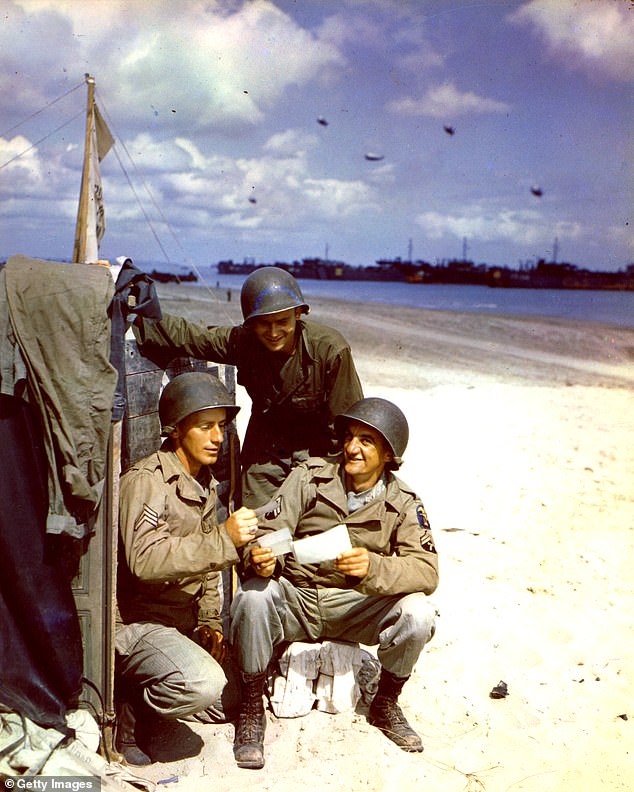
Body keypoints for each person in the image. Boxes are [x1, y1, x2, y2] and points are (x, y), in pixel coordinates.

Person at [229, 397, 439, 769]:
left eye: (366, 441)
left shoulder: (405, 502)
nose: (351, 448)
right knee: (251, 597)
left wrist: (374, 567)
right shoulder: (310, 476)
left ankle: (385, 704)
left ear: (389, 454)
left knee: (419, 613)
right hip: (298, 598)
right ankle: (250, 707)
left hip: (356, 606)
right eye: (349, 437)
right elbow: (268, 529)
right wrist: (260, 556)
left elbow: (426, 571)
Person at [114, 371, 259, 765]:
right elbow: (144, 560)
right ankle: (131, 715)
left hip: (179, 622)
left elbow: (209, 569)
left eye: (222, 427)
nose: (218, 438)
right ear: (177, 431)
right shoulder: (147, 482)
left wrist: (210, 621)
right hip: (137, 625)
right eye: (205, 427)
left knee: (228, 700)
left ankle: (158, 689)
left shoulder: (202, 483)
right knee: (202, 684)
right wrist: (225, 539)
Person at [133, 266, 363, 508]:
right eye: (263, 323)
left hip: (319, 453)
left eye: (282, 322)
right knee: (257, 529)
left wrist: (337, 477)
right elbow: (194, 337)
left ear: (298, 314)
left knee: (317, 527)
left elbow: (349, 424)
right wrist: (139, 315)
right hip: (266, 452)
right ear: (250, 324)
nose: (273, 332)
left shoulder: (329, 351)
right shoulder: (244, 342)